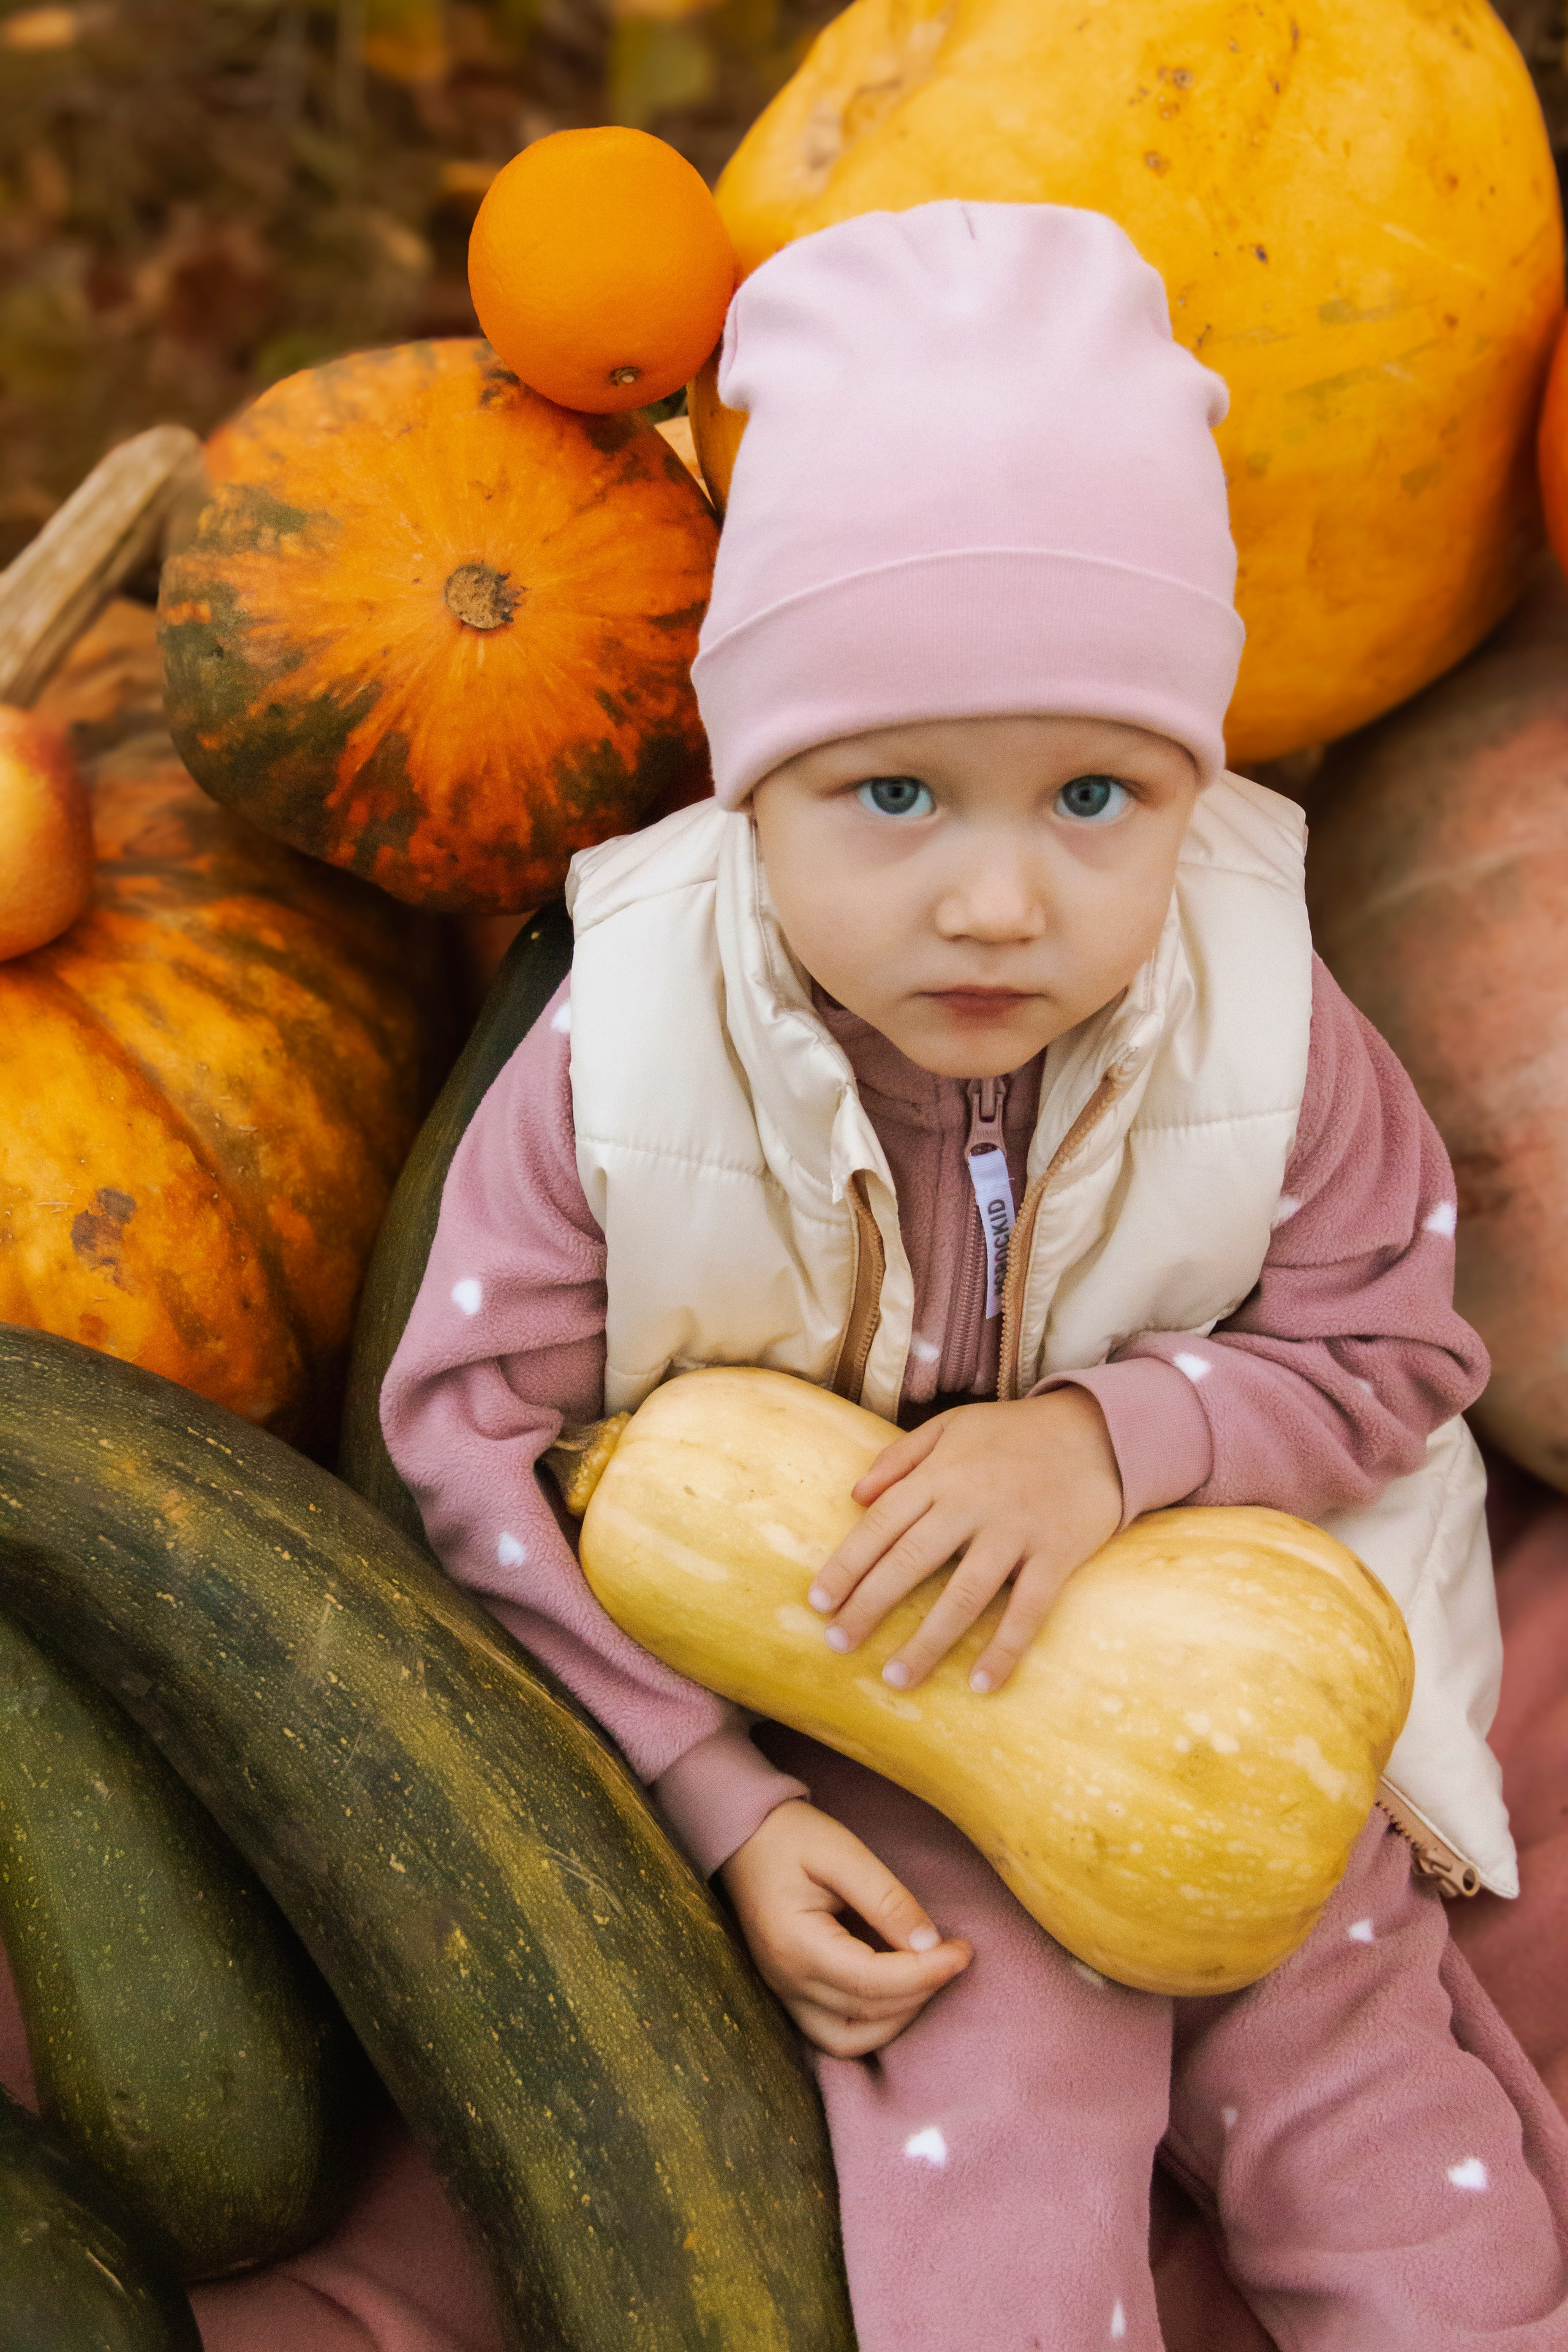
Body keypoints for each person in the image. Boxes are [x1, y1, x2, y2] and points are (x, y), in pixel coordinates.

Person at [381, 202, 1568, 2348]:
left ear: (1197, 784)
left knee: (1383, 2120)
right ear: (753, 787)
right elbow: (469, 1454)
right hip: (869, 1717)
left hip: (1242, 1659)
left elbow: (1391, 1347)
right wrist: (718, 1803)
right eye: (896, 793)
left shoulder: (1267, 1024)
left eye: (1096, 793)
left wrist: (1113, 1441)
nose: (1000, 902)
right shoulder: (625, 1065)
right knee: (989, 2143)